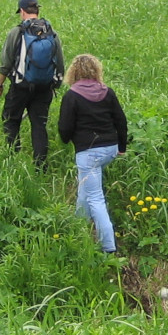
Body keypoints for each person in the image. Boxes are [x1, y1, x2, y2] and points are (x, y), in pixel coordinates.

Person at [57, 54, 128, 253]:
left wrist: (68, 140)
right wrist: (121, 148)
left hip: (88, 152)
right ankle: (78, 229)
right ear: (97, 70)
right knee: (85, 188)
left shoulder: (72, 95)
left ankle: (109, 247)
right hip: (110, 149)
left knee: (95, 197)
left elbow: (64, 127)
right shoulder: (108, 92)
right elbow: (121, 121)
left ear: (73, 72)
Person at [0, 0, 64, 170]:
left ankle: (12, 159)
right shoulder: (50, 31)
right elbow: (60, 61)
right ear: (37, 11)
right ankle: (41, 166)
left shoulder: (17, 32)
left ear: (22, 11)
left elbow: (6, 62)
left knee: (10, 120)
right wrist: (56, 83)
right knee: (39, 125)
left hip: (21, 86)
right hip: (44, 87)